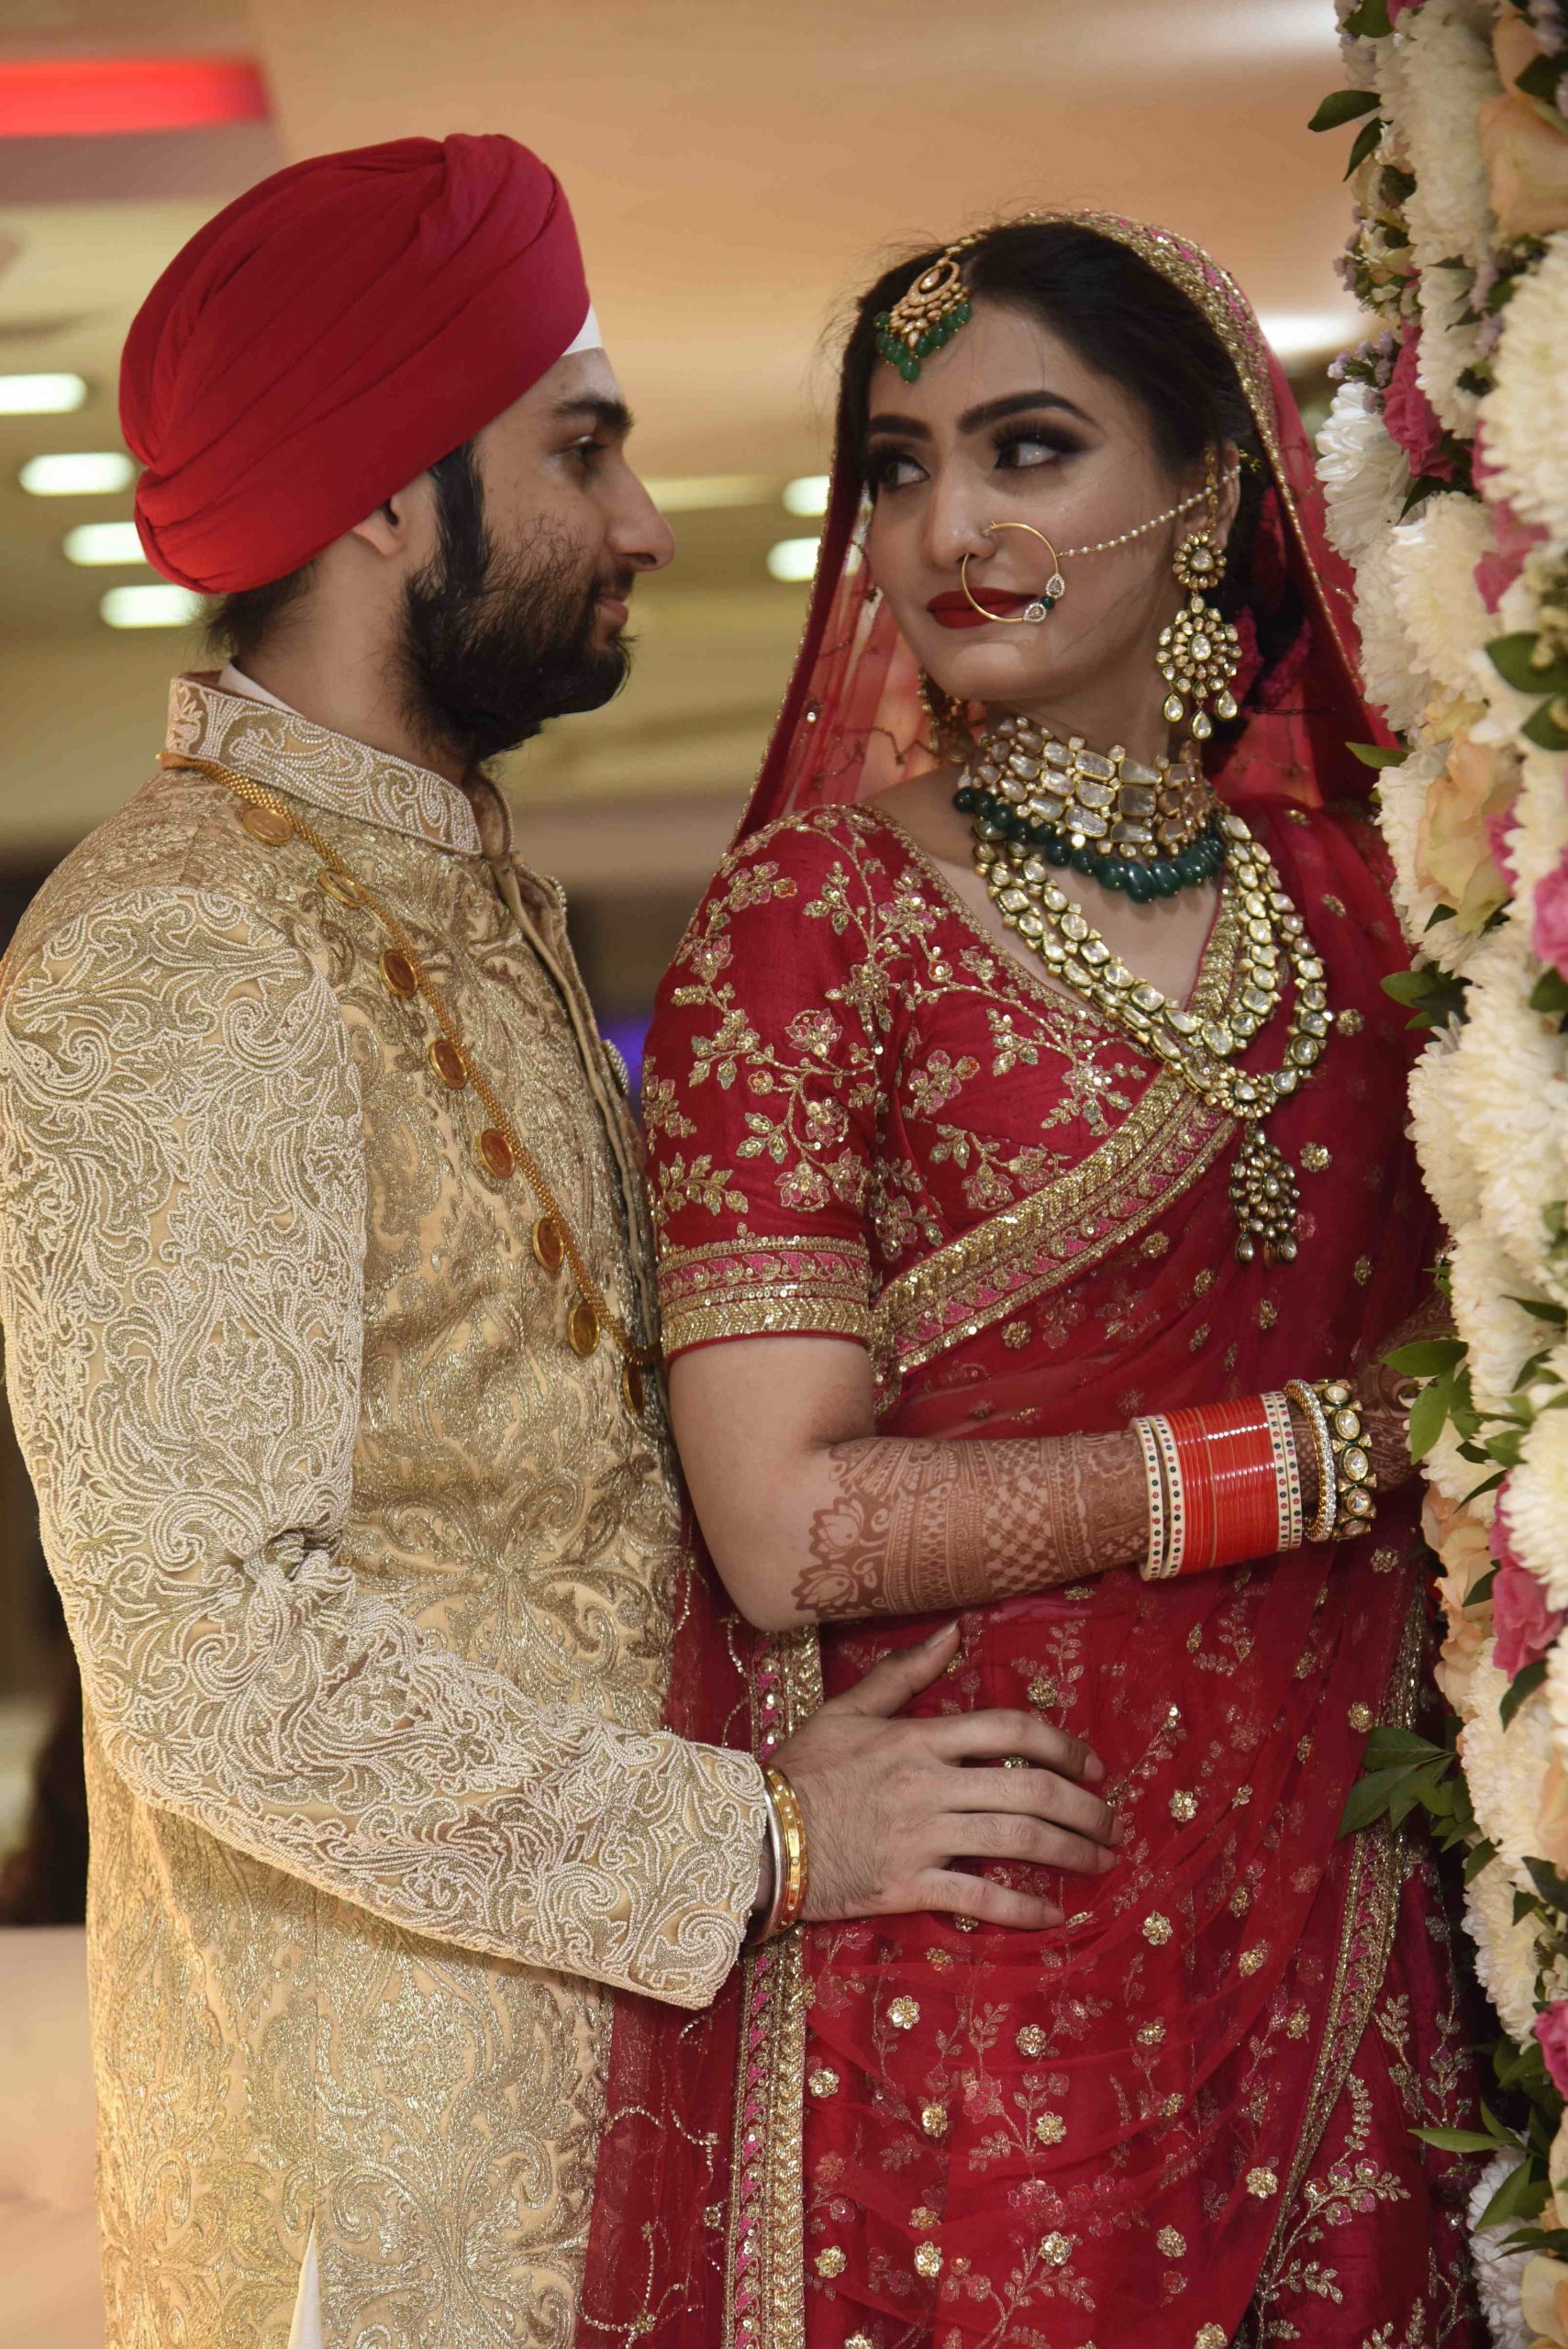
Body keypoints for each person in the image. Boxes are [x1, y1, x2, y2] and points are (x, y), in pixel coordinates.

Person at [0, 144, 1120, 2349]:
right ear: (382, 499)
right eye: (580, 446)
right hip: (392, 2179)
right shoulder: (177, 951)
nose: (638, 521)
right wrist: (758, 1843)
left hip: (623, 2099)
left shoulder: (455, 900)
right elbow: (206, 1646)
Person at [611, 215, 1485, 2347]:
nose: (949, 527)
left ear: (1209, 494)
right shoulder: (816, 913)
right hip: (992, 1891)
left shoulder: (1388, 908)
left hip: (1360, 1874)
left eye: (1026, 449)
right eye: (898, 466)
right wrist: (1324, 1451)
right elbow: (787, 1519)